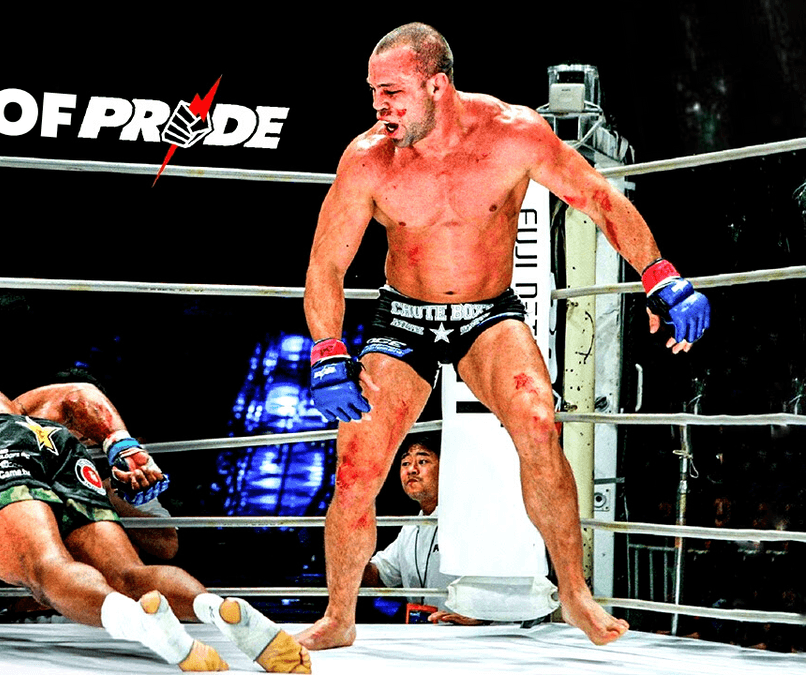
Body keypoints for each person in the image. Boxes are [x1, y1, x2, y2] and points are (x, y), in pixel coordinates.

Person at [299, 22, 710, 649]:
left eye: (392, 92)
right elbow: (325, 265)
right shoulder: (367, 158)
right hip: (402, 319)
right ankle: (339, 615)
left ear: (437, 86)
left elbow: (598, 199)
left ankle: (574, 595)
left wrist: (659, 274)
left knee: (540, 425)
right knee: (356, 463)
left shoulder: (513, 134)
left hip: (487, 314)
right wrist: (328, 350)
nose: (379, 106)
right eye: (374, 92)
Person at [0, 373, 310, 672]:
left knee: (45, 571)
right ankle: (212, 606)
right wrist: (120, 442)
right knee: (128, 573)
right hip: (44, 437)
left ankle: (145, 627)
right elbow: (76, 394)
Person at [362, 440, 486, 625]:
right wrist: (354, 553)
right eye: (405, 463)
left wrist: (483, 615)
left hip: (468, 633)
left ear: (447, 469)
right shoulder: (410, 528)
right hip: (424, 632)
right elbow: (379, 576)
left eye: (422, 461)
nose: (411, 470)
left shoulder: (472, 518)